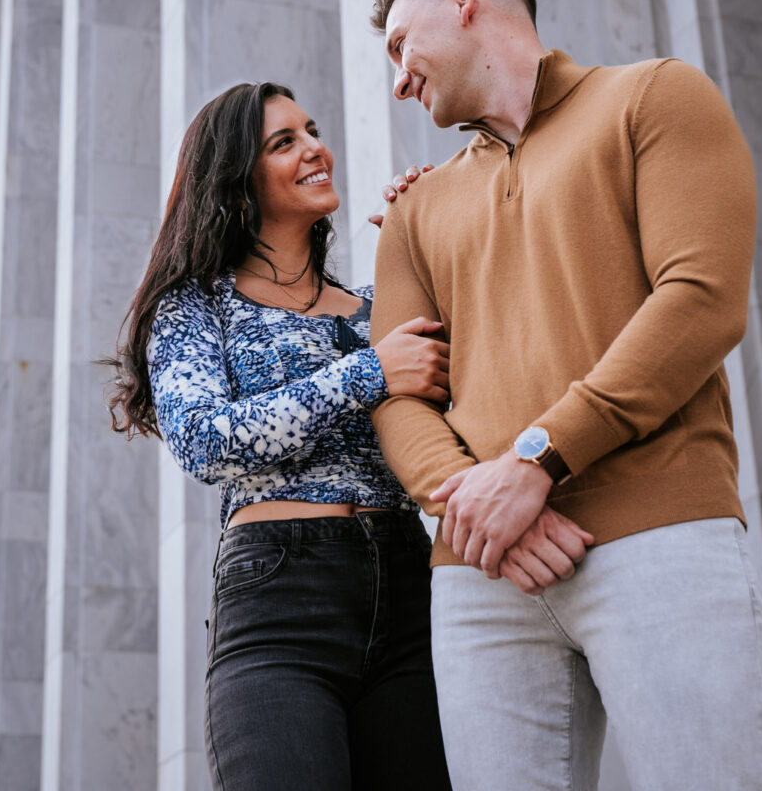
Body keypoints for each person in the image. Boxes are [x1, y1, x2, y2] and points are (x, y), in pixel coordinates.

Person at [368, 0, 762, 789]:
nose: (398, 78)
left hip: (658, 532)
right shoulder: (416, 211)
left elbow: (700, 298)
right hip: (486, 579)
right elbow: (396, 392)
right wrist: (475, 504)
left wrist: (536, 459)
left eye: (403, 44)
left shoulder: (653, 98)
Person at [109, 81, 497, 790]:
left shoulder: (382, 307)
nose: (315, 147)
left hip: (412, 585)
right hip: (280, 601)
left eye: (310, 129)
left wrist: (426, 236)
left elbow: (481, 401)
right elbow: (205, 439)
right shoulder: (195, 305)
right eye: (283, 142)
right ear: (236, 176)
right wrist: (369, 373)